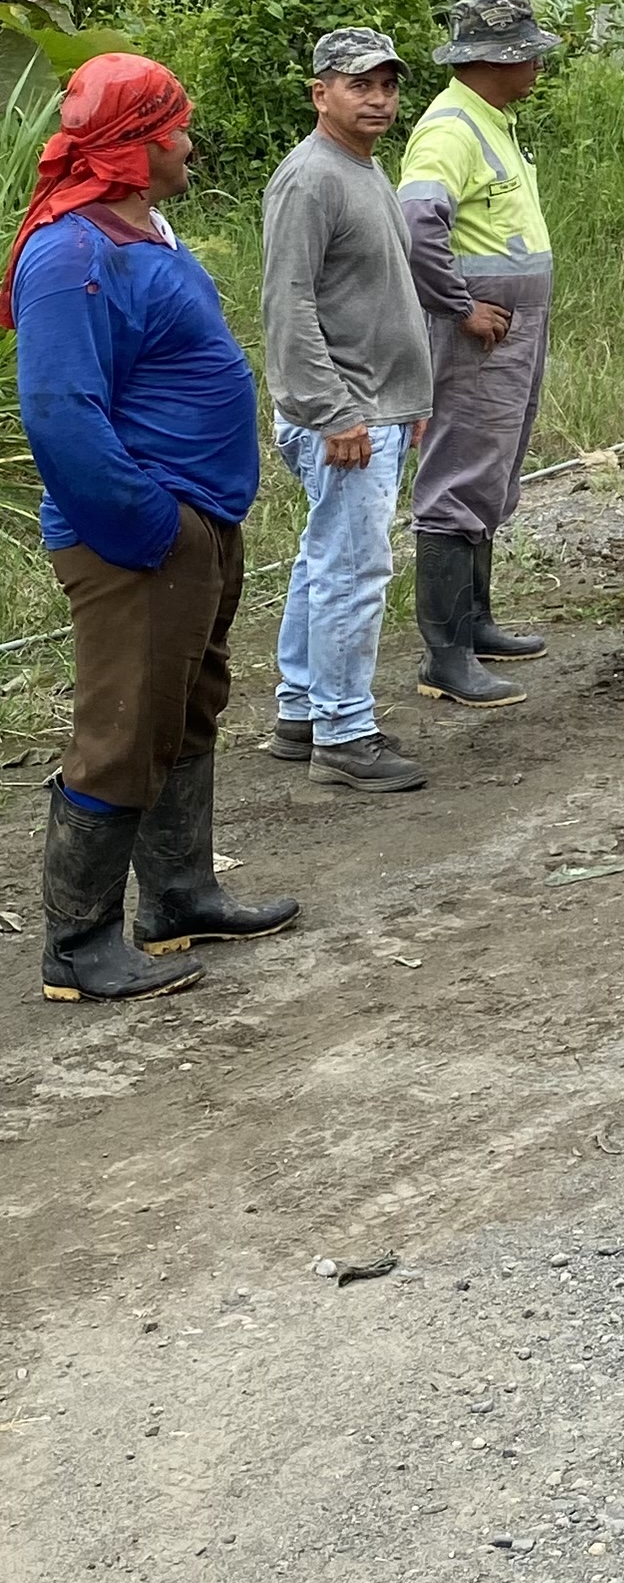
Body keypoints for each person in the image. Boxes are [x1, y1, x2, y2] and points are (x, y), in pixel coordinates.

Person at [5, 52, 299, 1003]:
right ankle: (78, 945)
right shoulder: (70, 256)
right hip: (138, 535)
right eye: (175, 127)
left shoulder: (141, 231)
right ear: (136, 144)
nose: (189, 142)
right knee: (123, 728)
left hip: (193, 522)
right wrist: (152, 528)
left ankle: (178, 897)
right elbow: (58, 411)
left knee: (183, 708)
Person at [262, 26, 434, 791]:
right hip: (345, 413)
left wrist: (408, 398)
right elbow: (289, 307)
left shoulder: (363, 167)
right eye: (360, 84)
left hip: (377, 405)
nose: (379, 99)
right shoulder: (310, 179)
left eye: (388, 85)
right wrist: (332, 412)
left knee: (324, 558)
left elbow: (377, 292)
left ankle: (303, 710)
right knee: (354, 569)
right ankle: (344, 732)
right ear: (320, 92)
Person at [396, 0, 559, 704]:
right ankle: (446, 656)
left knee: (492, 466)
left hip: (511, 321)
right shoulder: (450, 129)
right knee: (460, 470)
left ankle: (476, 624)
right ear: (497, 60)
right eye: (528, 53)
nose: (537, 64)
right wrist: (459, 306)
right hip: (483, 327)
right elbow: (416, 225)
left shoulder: (489, 121)